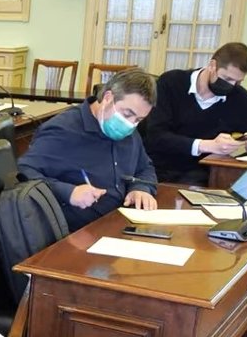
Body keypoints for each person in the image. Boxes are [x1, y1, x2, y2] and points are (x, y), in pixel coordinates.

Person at [18, 69, 160, 231]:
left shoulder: (129, 131)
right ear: (108, 98)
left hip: (121, 224)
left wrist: (141, 189)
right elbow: (23, 171)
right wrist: (69, 192)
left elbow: (145, 167)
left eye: (138, 119)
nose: (130, 124)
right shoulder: (63, 130)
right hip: (76, 233)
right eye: (127, 114)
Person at [143, 42, 247, 184]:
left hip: (203, 175)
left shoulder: (238, 97)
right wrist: (207, 145)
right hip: (157, 168)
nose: (231, 85)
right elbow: (156, 135)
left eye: (238, 82)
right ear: (212, 65)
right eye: (227, 79)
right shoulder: (171, 82)